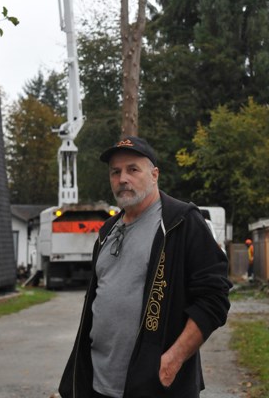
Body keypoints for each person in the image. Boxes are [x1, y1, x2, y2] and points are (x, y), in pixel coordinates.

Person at [58, 136, 232, 398]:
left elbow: (214, 299)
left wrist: (174, 359)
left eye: (132, 169)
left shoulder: (181, 222)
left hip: (154, 385)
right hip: (98, 383)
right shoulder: (107, 230)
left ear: (154, 174)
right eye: (115, 172)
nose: (122, 178)